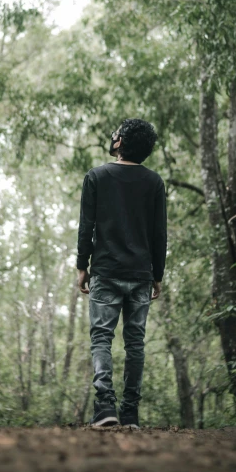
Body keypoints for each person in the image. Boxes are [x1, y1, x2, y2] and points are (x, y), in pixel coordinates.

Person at [77, 118, 167, 429]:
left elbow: (86, 227)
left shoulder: (97, 177)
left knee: (101, 337)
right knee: (135, 342)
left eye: (116, 133)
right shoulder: (154, 183)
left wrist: (81, 266)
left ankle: (105, 408)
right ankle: (130, 414)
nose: (112, 136)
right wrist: (158, 274)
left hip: (106, 271)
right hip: (141, 275)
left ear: (120, 143)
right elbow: (159, 235)